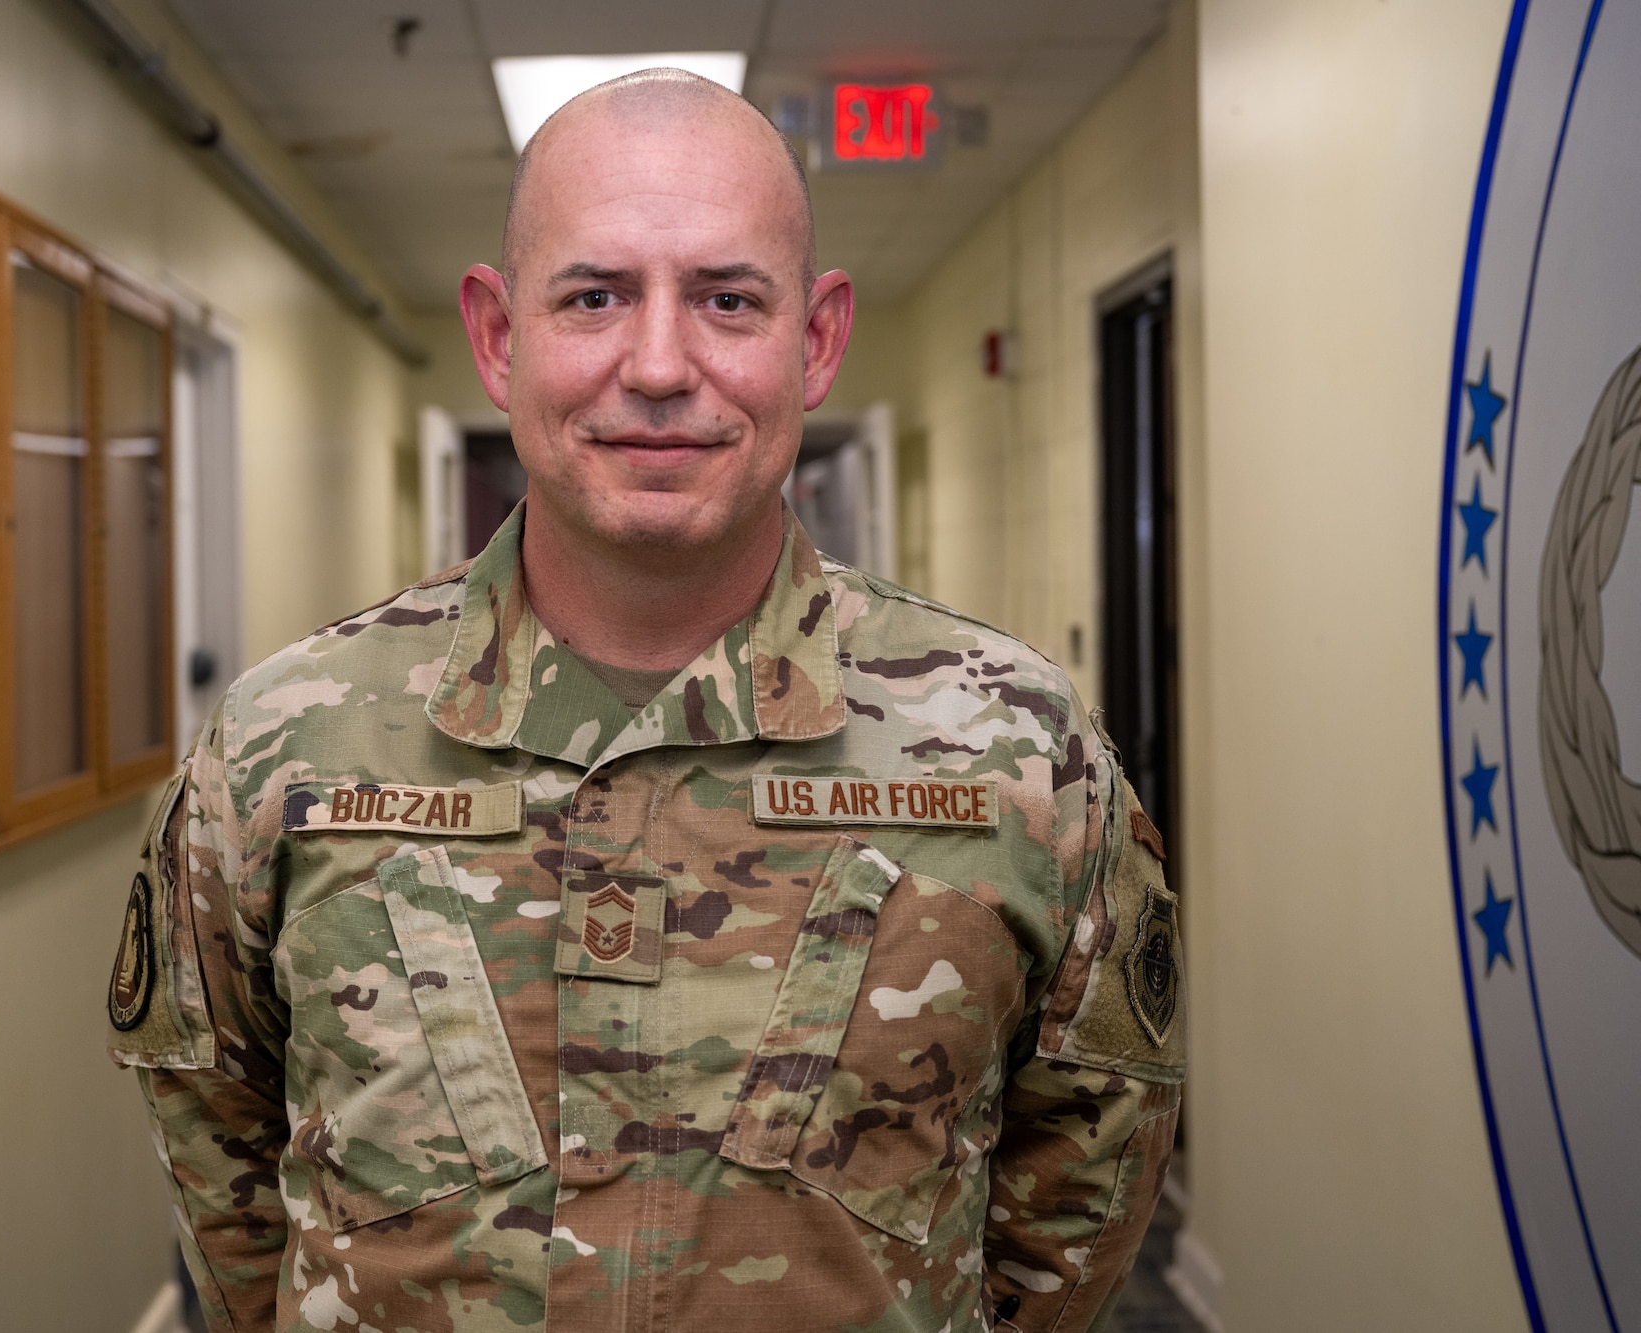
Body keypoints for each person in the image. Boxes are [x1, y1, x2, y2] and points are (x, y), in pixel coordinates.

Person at [107, 67, 1184, 1333]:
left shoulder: (1018, 745)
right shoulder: (285, 742)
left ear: (816, 337)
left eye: (727, 298)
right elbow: (224, 1163)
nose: (660, 364)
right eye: (594, 296)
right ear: (501, 337)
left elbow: (1077, 1189)